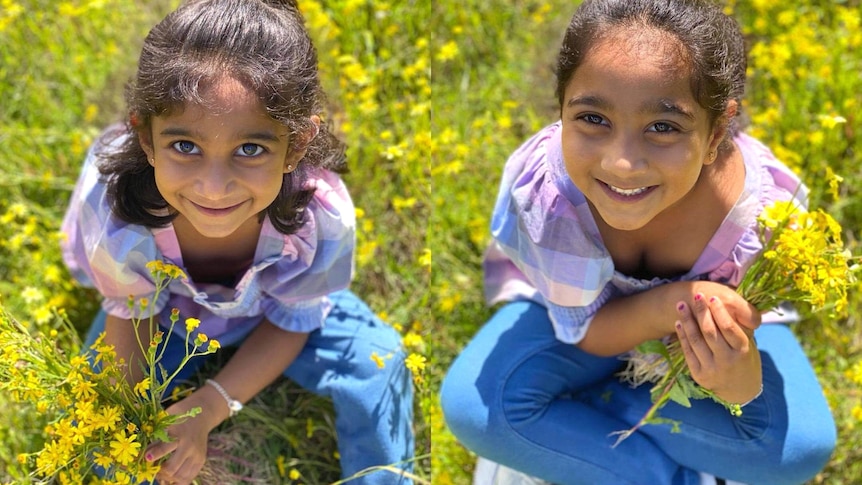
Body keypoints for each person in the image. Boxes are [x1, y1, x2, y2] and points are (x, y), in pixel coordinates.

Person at [440, 0, 836, 484]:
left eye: (664, 127)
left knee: (798, 448)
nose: (621, 165)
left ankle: (594, 409)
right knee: (474, 406)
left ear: (718, 129)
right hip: (581, 319)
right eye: (592, 119)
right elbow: (584, 330)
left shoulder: (768, 219)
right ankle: (658, 473)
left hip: (702, 347)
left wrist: (738, 383)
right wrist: (671, 303)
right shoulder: (550, 197)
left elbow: (746, 350)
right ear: (561, 103)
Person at [60, 1, 414, 483]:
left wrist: (209, 406)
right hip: (158, 313)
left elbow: (295, 320)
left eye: (250, 149)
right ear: (144, 136)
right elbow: (132, 315)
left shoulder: (319, 216)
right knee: (96, 435)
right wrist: (129, 414)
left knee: (380, 367)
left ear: (297, 145)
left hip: (276, 310)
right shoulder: (118, 209)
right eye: (185, 147)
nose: (213, 187)